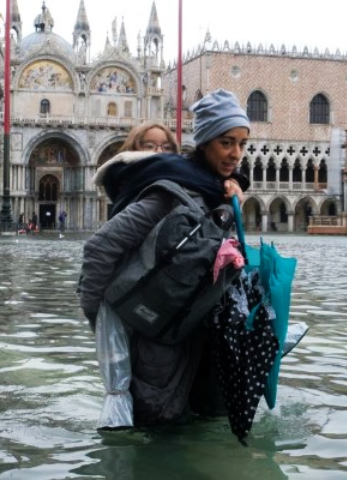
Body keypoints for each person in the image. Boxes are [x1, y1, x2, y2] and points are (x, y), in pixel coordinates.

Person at [78, 89, 250, 427]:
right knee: (157, 435)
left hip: (197, 345)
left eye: (242, 144)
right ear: (204, 143)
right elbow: (99, 249)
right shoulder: (170, 193)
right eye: (226, 142)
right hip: (156, 351)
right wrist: (100, 320)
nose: (236, 154)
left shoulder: (218, 192)